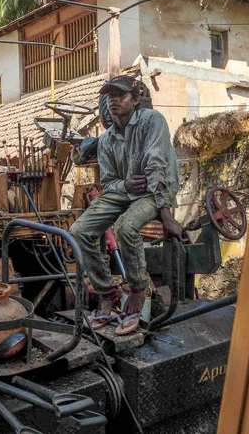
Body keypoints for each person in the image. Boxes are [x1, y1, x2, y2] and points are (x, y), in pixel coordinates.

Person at [69, 75, 182, 336]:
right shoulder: (106, 139)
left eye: (120, 95)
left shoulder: (152, 121)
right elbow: (109, 182)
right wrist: (126, 185)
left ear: (136, 99)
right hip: (127, 191)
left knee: (125, 227)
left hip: (155, 189)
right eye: (109, 96)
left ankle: (137, 292)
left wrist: (166, 214)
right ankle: (107, 294)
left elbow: (157, 165)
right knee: (78, 231)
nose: (113, 100)